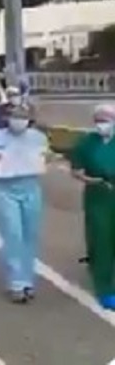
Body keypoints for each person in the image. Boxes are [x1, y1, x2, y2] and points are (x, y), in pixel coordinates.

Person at [0, 105, 48, 304]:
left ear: (29, 119)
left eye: (23, 116)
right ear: (7, 118)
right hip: (5, 191)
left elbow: (45, 157)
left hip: (31, 189)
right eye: (14, 116)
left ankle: (28, 280)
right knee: (13, 234)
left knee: (30, 235)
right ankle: (16, 283)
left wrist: (48, 159)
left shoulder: (38, 138)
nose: (18, 120)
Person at [69, 104, 115, 310]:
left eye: (106, 120)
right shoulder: (86, 143)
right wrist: (91, 180)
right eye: (98, 120)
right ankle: (105, 289)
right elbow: (76, 170)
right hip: (99, 198)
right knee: (102, 240)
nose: (102, 124)